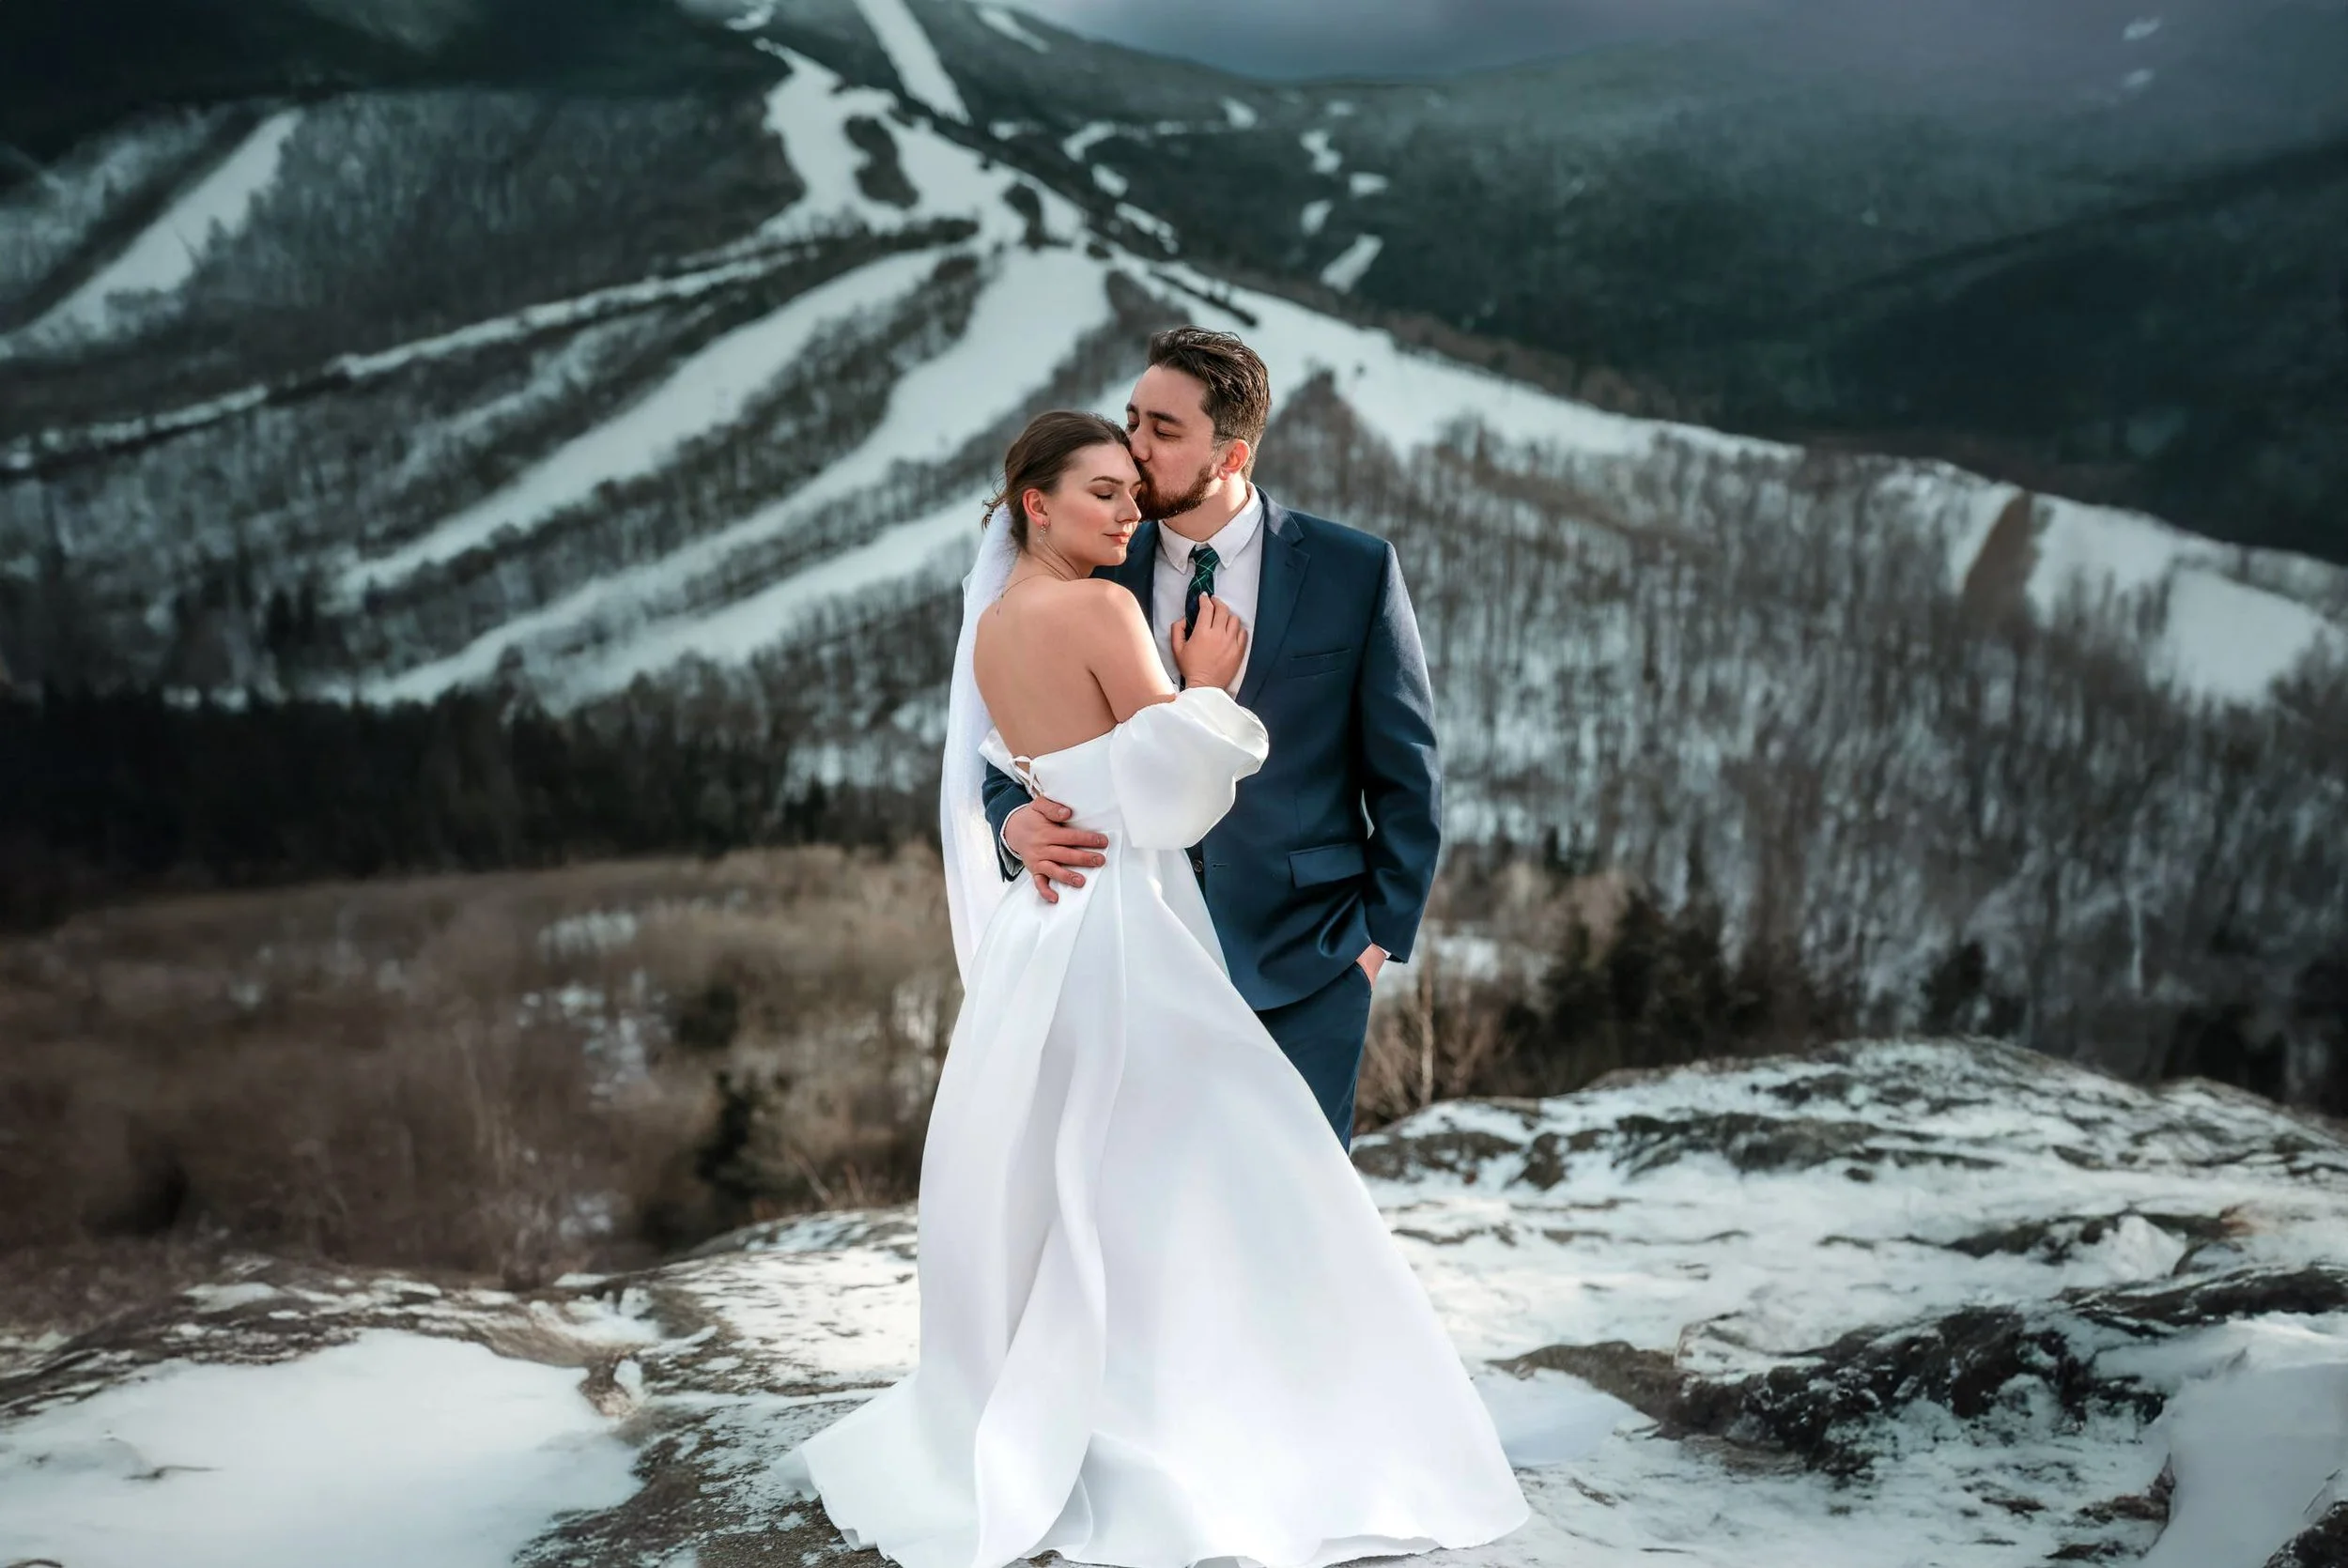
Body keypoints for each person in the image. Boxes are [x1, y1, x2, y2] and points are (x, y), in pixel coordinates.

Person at [772, 408, 1529, 1568]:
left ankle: (1105, 1395)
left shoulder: (996, 622)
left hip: (1056, 938)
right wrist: (1209, 687)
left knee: (1076, 1170)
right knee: (1211, 1165)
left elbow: (1029, 753)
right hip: (1127, 923)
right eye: (1106, 491)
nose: (1129, 513)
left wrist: (1380, 931)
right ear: (1037, 503)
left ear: (1229, 447)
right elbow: (1172, 796)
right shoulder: (1104, 603)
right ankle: (1187, 1419)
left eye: (1137, 482)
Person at [989, 328, 1440, 1151]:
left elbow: (1408, 772)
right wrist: (1010, 823)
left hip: (1308, 961)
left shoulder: (1354, 570)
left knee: (1298, 1218)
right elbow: (1012, 724)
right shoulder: (1090, 568)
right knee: (1152, 1220)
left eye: (1164, 431)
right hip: (1131, 959)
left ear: (1231, 459)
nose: (1133, 447)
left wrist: (1373, 945)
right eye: (1132, 420)